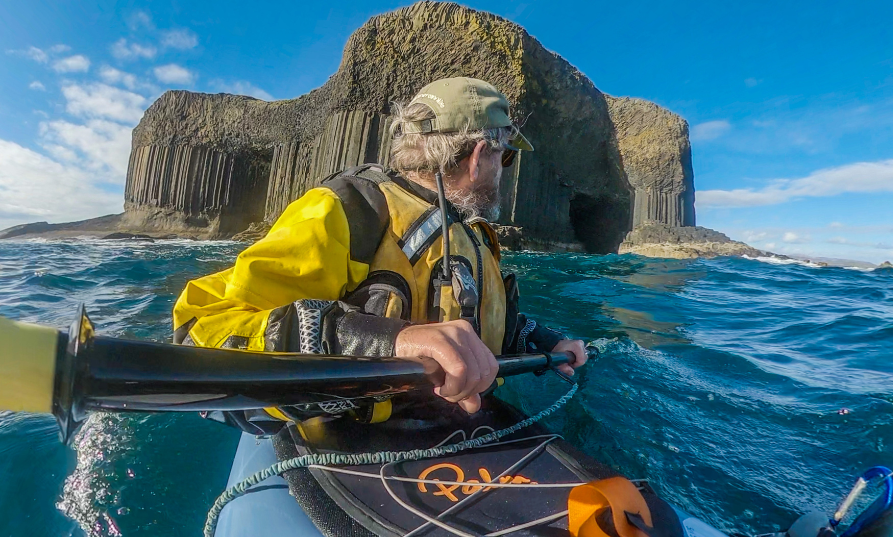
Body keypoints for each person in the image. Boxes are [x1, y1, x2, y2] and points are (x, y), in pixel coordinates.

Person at [172, 77, 587, 432]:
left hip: (471, 425)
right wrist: (395, 340)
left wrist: (545, 341)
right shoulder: (348, 210)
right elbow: (200, 330)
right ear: (480, 156)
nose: (504, 170)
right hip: (357, 437)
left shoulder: (477, 237)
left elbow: (493, 326)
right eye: (506, 156)